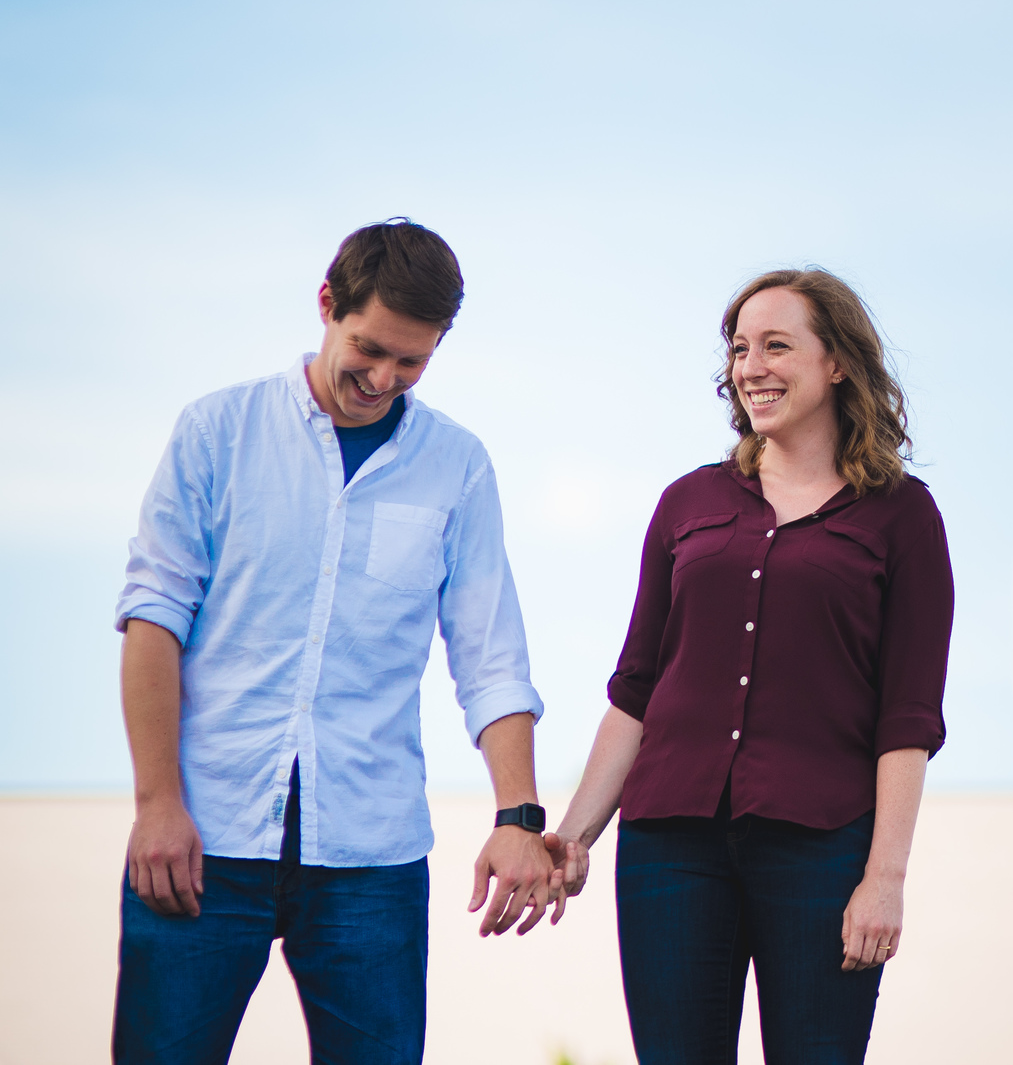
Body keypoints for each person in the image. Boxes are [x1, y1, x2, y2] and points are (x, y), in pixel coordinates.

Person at [114, 219, 566, 1065]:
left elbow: (490, 654)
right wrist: (158, 805)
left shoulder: (458, 465)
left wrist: (518, 816)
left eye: (413, 362)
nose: (384, 378)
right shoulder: (218, 430)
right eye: (369, 348)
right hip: (204, 838)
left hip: (372, 857)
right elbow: (153, 621)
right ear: (327, 304)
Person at [552, 267, 954, 1065]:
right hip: (670, 844)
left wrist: (886, 876)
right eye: (740, 348)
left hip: (822, 849)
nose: (752, 366)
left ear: (837, 361)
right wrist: (574, 836)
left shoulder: (902, 515)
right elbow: (636, 691)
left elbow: (908, 716)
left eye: (777, 344)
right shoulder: (687, 503)